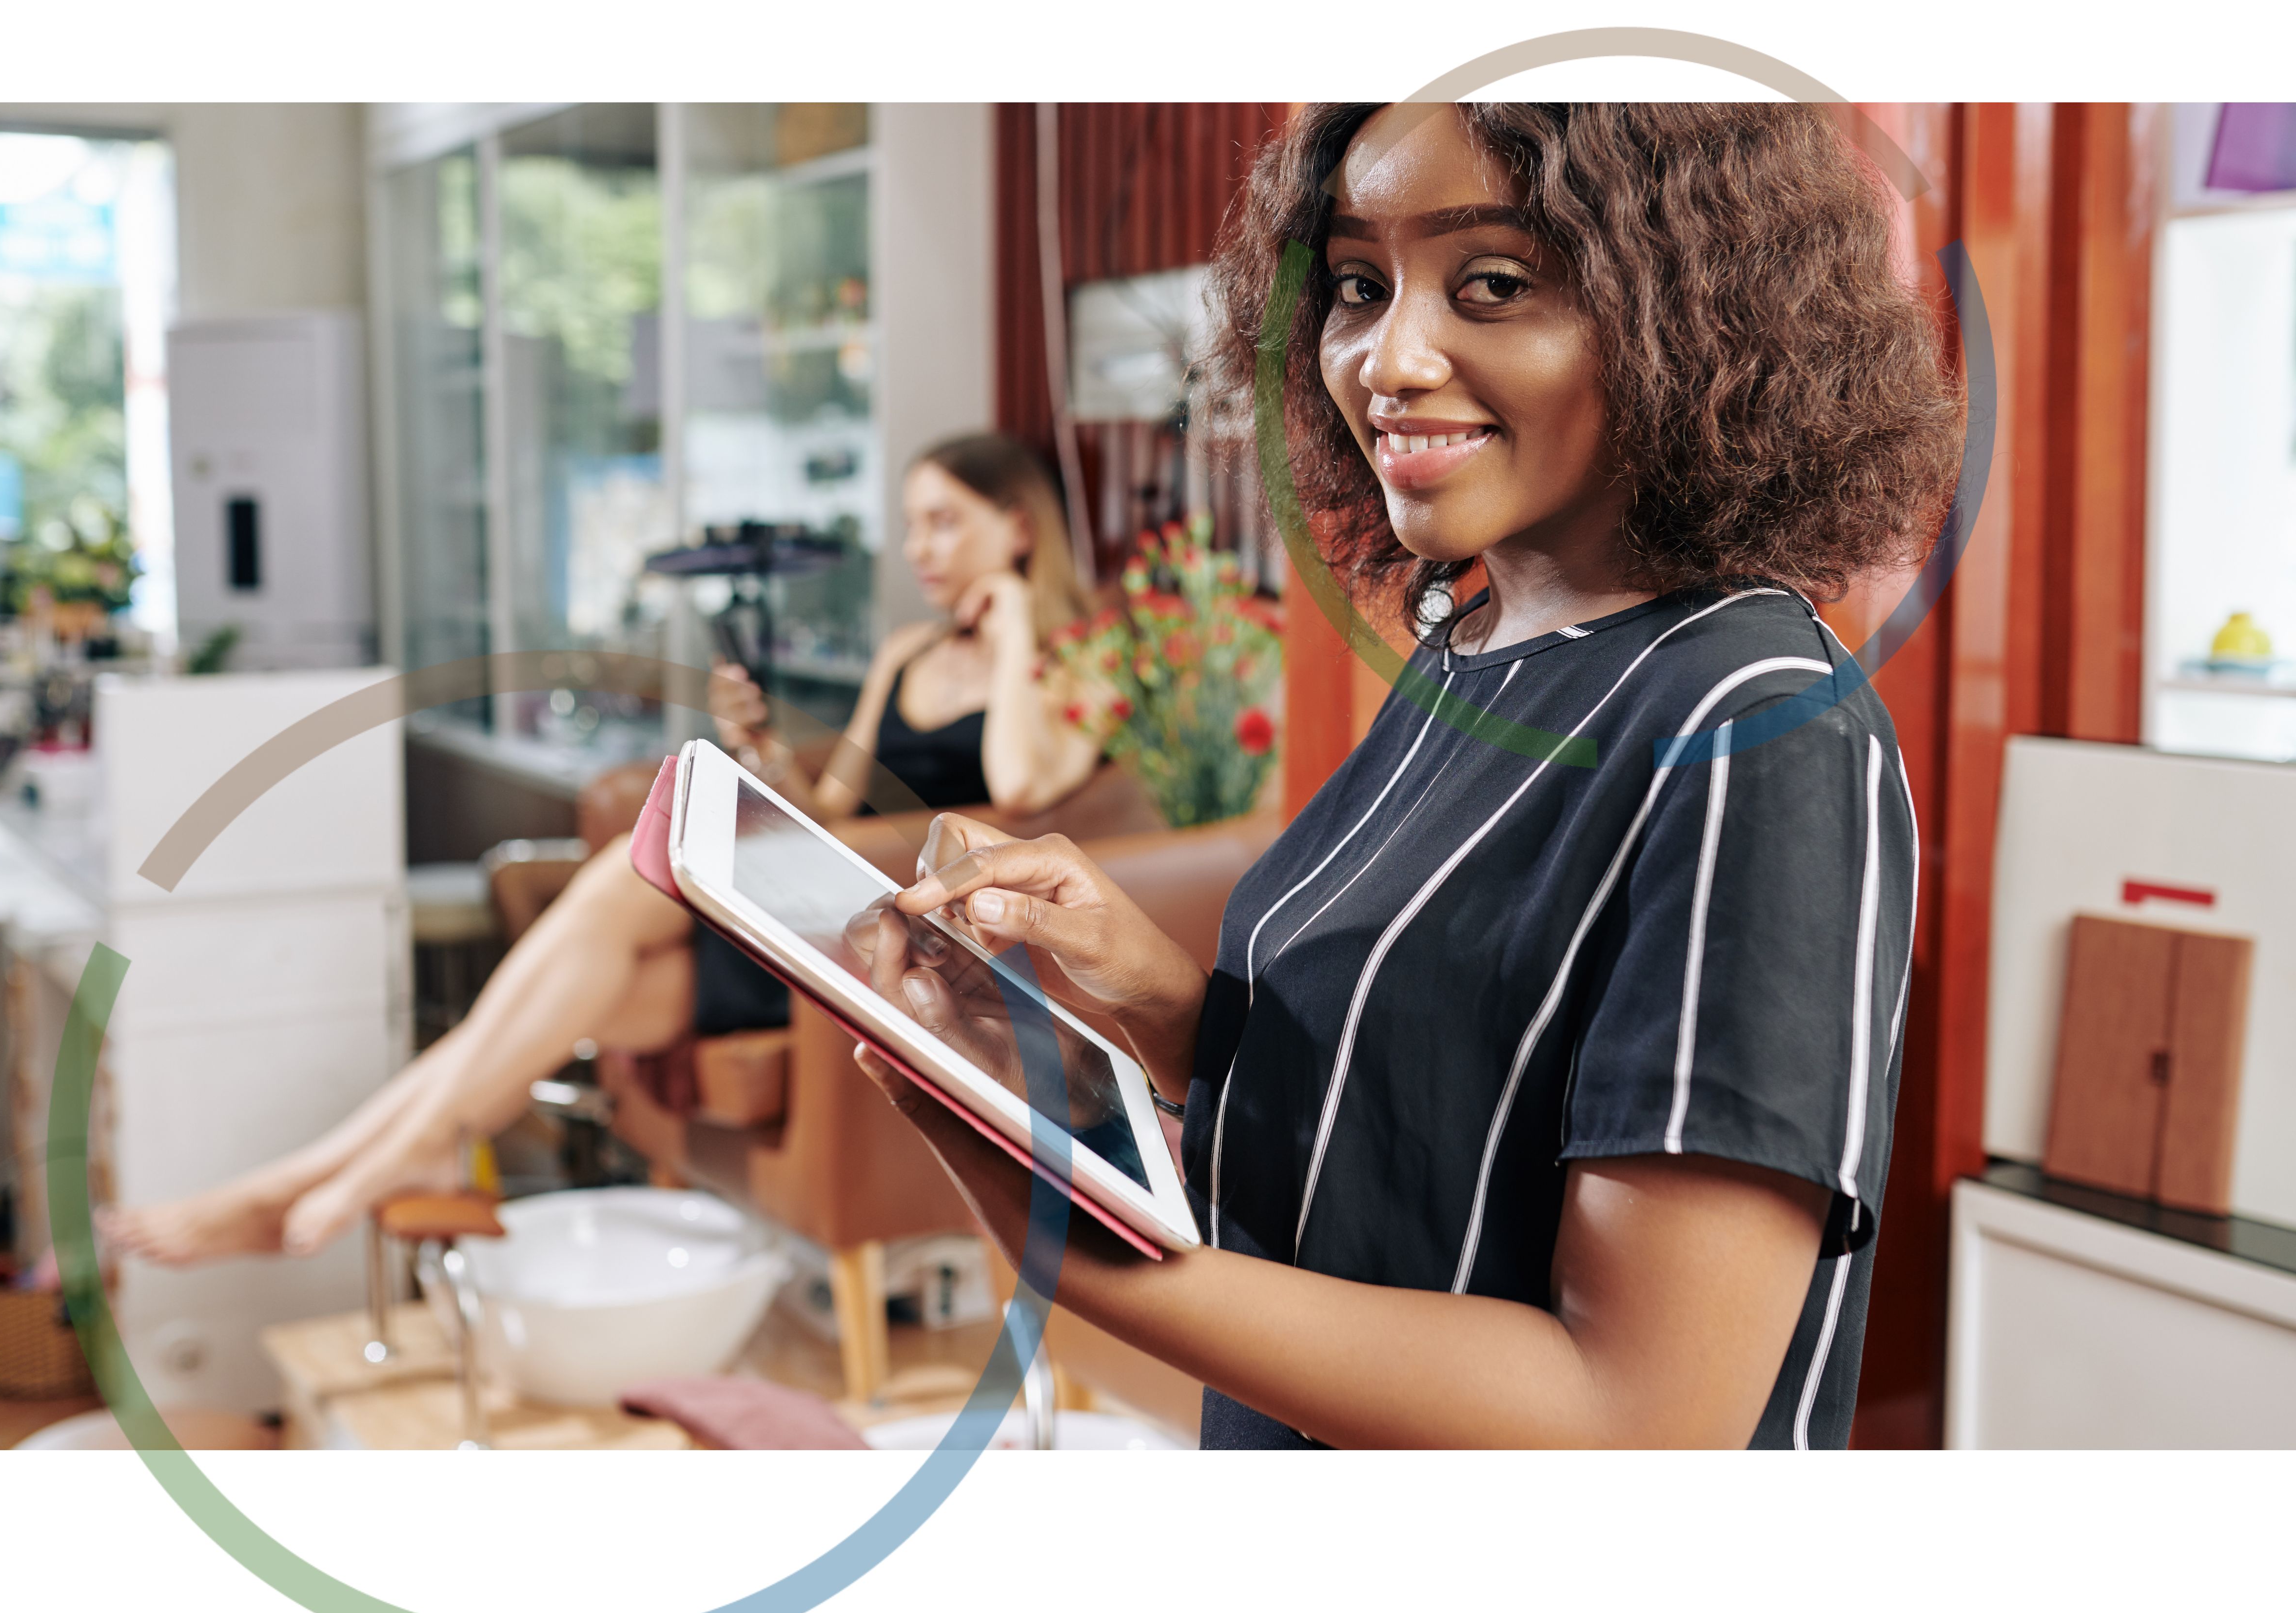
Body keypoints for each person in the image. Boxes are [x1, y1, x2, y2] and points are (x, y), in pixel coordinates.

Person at [858, 103, 1954, 1448]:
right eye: (1359, 289)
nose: (1390, 358)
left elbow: (1637, 1417)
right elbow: (1419, 1124)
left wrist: (1062, 1230)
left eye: (1492, 284)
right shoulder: (1471, 650)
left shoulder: (1757, 726)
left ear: (1691, 316)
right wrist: (1150, 1001)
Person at [100, 432, 1114, 1264]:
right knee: (571, 998)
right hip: (833, 903)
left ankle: (347, 1171)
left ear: (1018, 524)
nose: (921, 550)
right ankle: (352, 1167)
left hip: (914, 948)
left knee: (612, 887)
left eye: (946, 523)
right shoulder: (909, 652)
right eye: (912, 526)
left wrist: (1019, 617)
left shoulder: (1080, 656)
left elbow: (1023, 782)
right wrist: (759, 747)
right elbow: (833, 804)